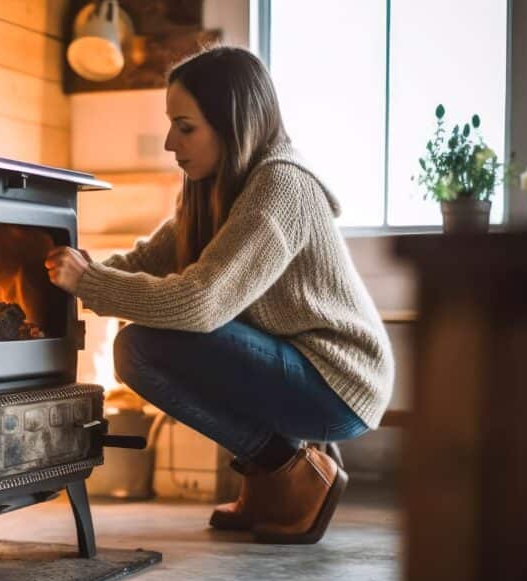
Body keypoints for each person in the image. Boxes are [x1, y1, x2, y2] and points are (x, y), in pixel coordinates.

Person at [44, 46, 394, 544]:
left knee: (141, 347)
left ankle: (289, 468)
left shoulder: (281, 186)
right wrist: (60, 279)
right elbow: (147, 259)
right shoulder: (211, 190)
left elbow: (200, 303)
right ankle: (273, 472)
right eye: (171, 125)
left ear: (234, 126)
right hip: (296, 366)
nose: (170, 142)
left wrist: (90, 283)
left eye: (185, 127)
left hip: (338, 382)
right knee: (142, 341)